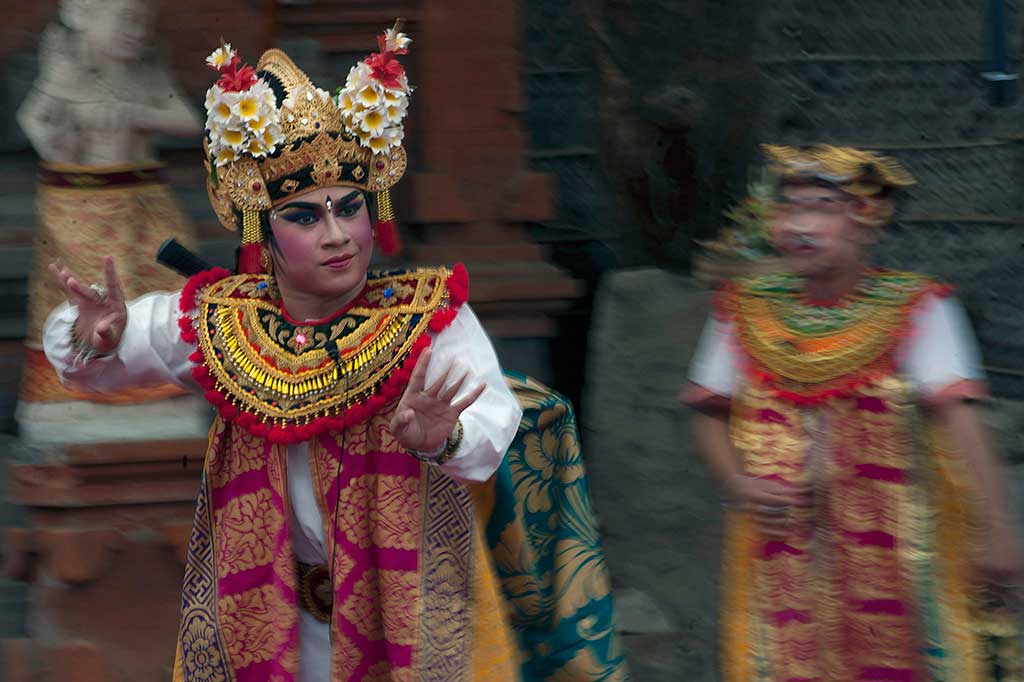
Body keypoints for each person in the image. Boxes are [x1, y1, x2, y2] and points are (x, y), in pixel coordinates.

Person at [43, 27, 531, 681]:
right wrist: (92, 334)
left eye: (349, 209)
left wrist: (442, 439)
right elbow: (93, 363)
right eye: (304, 217)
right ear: (262, 231)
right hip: (267, 622)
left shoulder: (427, 319)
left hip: (407, 620)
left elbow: (490, 430)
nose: (337, 236)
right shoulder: (226, 324)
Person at [682, 145, 1023, 681]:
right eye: (789, 207)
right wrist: (737, 482)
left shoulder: (918, 307)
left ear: (868, 220)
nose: (798, 225)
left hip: (899, 545)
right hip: (780, 540)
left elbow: (959, 423)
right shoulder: (744, 306)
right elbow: (708, 412)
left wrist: (998, 532)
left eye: (820, 207)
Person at [17, 0, 204, 443]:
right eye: (123, 18)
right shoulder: (65, 71)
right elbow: (33, 119)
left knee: (156, 287)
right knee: (84, 299)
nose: (133, 30)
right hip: (78, 210)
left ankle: (157, 387)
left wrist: (136, 113)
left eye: (142, 20)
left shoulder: (145, 73)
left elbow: (188, 120)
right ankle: (75, 393)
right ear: (82, 16)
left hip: (143, 204)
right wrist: (56, 139)